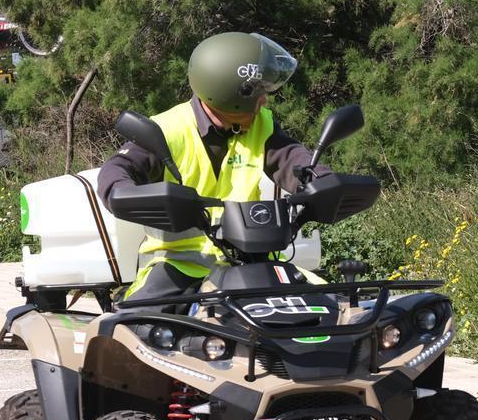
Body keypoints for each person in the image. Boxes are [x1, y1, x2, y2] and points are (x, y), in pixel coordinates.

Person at [98, 32, 328, 302]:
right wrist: (126, 193)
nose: (264, 100)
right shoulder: (166, 130)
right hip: (178, 266)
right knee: (138, 325)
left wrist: (323, 182)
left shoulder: (262, 124)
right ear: (234, 93)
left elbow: (292, 159)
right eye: (259, 91)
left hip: (251, 262)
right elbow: (116, 170)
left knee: (328, 306)